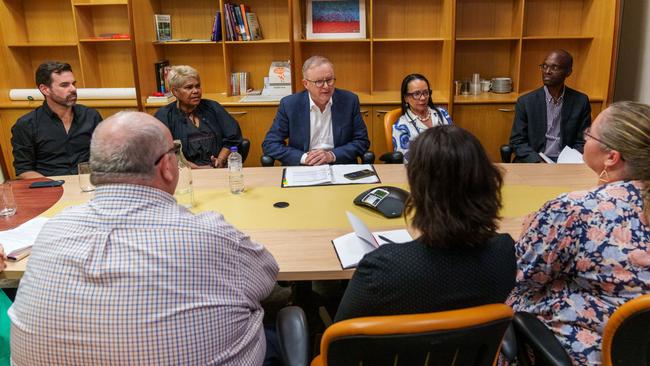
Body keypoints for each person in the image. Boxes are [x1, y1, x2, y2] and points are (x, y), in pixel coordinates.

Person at [9, 112, 279, 365]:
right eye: (174, 152)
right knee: (277, 323)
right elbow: (266, 278)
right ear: (167, 167)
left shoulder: (53, 230)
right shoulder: (209, 234)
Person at [507, 101, 650, 364]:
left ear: (612, 157)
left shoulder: (574, 210)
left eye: (589, 134)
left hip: (597, 349)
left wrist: (532, 230)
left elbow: (521, 276)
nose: (585, 137)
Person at [334, 125, 516, 322]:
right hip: (473, 353)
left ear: (417, 187)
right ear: (487, 181)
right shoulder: (504, 252)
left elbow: (338, 340)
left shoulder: (381, 270)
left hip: (399, 353)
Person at [262, 55, 370, 166]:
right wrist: (304, 158)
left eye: (329, 80)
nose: (326, 86)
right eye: (319, 82)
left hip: (339, 165)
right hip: (303, 167)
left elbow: (362, 141)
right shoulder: (290, 105)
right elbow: (270, 143)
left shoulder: (349, 101)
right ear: (306, 84)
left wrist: (331, 155)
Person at [11, 61, 103, 178]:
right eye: (65, 85)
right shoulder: (26, 125)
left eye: (73, 84)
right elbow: (24, 169)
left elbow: (105, 156)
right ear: (45, 89)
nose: (73, 89)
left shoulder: (91, 116)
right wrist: (53, 187)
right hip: (49, 188)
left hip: (88, 184)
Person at [509, 49, 591, 163]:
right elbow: (517, 141)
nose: (547, 71)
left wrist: (569, 160)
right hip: (535, 160)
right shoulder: (526, 102)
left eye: (555, 67)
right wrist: (538, 162)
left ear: (568, 72)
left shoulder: (580, 101)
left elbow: (582, 141)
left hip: (566, 163)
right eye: (544, 66)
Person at [154, 65, 243, 168]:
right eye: (189, 87)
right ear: (175, 92)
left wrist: (220, 160)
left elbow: (234, 137)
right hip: (184, 173)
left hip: (218, 170)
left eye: (197, 86)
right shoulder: (165, 115)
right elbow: (166, 154)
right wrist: (199, 169)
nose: (196, 91)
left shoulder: (213, 107)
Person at [392, 74, 452, 161]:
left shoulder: (442, 114)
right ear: (406, 98)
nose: (423, 98)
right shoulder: (401, 127)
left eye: (426, 93)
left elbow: (454, 144)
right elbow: (407, 161)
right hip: (421, 171)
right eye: (417, 94)